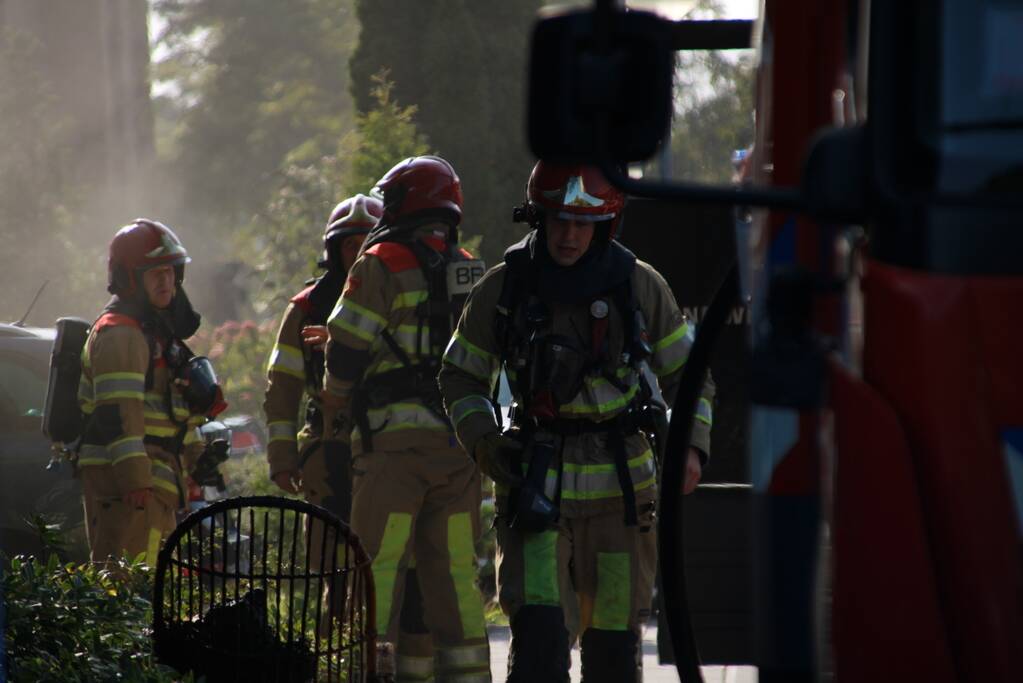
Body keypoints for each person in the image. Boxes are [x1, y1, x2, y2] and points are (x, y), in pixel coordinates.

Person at [438, 162, 714, 683]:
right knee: (540, 647)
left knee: (612, 653)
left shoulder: (640, 286)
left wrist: (692, 449)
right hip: (537, 492)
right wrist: (485, 445)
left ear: (606, 224)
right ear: (539, 218)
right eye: (559, 220)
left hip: (621, 504)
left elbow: (693, 378)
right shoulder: (506, 289)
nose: (569, 235)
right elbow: (459, 376)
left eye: (582, 223)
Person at [321, 156, 491, 683]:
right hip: (458, 454)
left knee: (375, 573)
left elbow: (345, 350)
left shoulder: (380, 262)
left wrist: (333, 414)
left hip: (393, 455)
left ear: (401, 204)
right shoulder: (469, 268)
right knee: (457, 579)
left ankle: (356, 676)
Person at [78, 218, 225, 566]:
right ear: (131, 279)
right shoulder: (121, 335)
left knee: (149, 588)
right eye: (154, 273)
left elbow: (169, 411)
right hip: (127, 488)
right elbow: (119, 414)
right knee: (124, 586)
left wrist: (193, 463)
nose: (166, 280)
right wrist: (134, 481)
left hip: (154, 484)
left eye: (170, 272)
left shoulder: (154, 332)